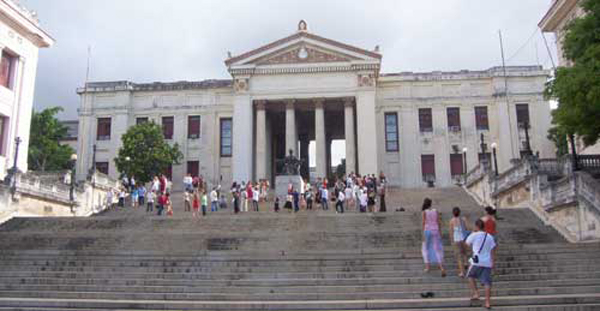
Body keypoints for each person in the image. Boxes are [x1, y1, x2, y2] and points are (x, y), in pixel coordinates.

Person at [466, 219, 497, 309]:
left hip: (476, 261)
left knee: (470, 276)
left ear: (476, 226)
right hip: (487, 262)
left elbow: (466, 244)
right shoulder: (490, 237)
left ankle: (476, 293)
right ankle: (487, 302)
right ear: (484, 226)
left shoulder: (473, 235)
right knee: (487, 282)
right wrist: (493, 262)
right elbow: (492, 251)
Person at [421, 198, 446, 277]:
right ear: (431, 203)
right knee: (437, 249)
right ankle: (441, 267)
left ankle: (427, 266)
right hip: (435, 230)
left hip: (427, 230)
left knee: (425, 248)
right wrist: (440, 232)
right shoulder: (435, 211)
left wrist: (423, 233)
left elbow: (423, 223)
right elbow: (438, 222)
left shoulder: (424, 212)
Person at [449, 207, 470, 278]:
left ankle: (462, 272)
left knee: (459, 257)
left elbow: (451, 231)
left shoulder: (451, 221)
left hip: (456, 240)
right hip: (463, 238)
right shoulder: (463, 219)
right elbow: (467, 228)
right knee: (465, 253)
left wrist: (452, 240)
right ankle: (466, 262)